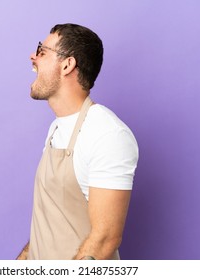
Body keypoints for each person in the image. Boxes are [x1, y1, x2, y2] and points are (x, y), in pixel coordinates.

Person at [17, 23, 138, 260]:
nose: (33, 56)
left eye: (42, 51)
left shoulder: (107, 134)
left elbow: (106, 238)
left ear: (67, 64)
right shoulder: (56, 129)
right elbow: (51, 221)